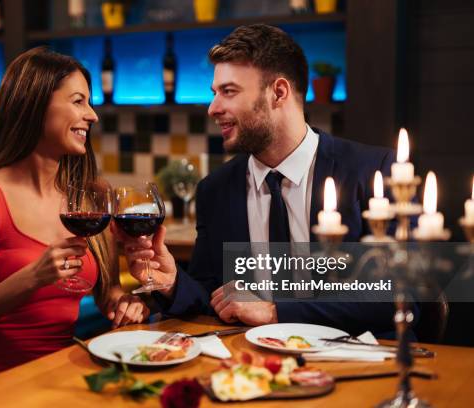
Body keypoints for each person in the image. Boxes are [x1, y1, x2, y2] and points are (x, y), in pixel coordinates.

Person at [116, 24, 403, 336]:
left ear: (278, 92)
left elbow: (400, 296)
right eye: (215, 93)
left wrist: (275, 312)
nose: (213, 108)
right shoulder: (215, 190)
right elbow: (212, 295)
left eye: (229, 91)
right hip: (252, 366)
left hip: (358, 361)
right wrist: (173, 282)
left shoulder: (375, 171)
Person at [0, 47, 148, 391]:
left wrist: (126, 304)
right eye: (79, 101)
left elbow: (107, 291)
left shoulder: (89, 197)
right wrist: (32, 277)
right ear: (35, 105)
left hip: (60, 377)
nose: (93, 115)